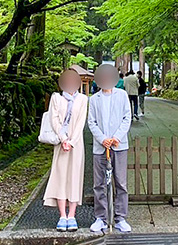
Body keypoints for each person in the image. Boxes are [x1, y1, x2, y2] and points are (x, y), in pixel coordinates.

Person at [88, 63, 132, 234]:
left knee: (121, 182)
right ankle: (101, 218)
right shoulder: (93, 99)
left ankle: (120, 217)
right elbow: (91, 122)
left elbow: (126, 117)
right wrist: (102, 139)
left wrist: (116, 138)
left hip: (119, 145)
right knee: (99, 183)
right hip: (100, 147)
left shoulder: (122, 95)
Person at [43, 69, 89, 231]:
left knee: (75, 177)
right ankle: (62, 215)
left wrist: (72, 141)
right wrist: (63, 139)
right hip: (60, 143)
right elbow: (53, 119)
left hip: (76, 144)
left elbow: (80, 123)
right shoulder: (56, 98)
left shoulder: (83, 99)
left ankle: (72, 215)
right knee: (60, 177)